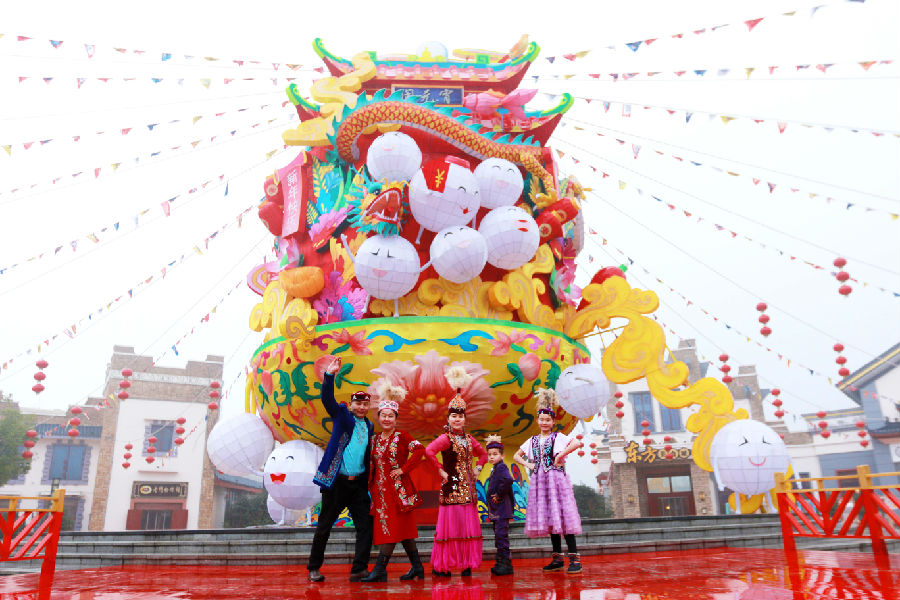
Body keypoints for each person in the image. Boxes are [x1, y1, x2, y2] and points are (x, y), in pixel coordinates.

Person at [307, 356, 374, 583]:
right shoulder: (342, 415)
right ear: (352, 404)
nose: (361, 407)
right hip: (336, 482)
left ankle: (359, 569)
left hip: (358, 485)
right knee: (324, 526)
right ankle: (314, 568)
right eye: (358, 404)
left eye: (365, 404)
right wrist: (330, 375)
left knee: (365, 526)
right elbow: (327, 399)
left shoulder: (370, 426)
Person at [424, 368, 488, 577]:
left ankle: (466, 564)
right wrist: (440, 471)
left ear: (464, 419)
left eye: (460, 416)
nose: (457, 419)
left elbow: (483, 455)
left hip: (468, 492)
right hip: (451, 490)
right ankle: (442, 566)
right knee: (450, 529)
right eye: (453, 416)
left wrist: (478, 468)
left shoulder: (469, 439)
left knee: (466, 528)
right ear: (449, 418)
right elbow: (429, 451)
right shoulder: (445, 438)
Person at [513, 388, 584, 574]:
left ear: (553, 422)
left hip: (556, 480)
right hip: (540, 482)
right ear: (538, 421)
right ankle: (557, 559)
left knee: (564, 518)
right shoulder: (533, 440)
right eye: (542, 419)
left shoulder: (557, 437)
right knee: (552, 519)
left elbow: (576, 443)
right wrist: (529, 465)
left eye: (548, 420)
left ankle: (574, 559)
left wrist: (560, 454)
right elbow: (516, 456)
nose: (544, 422)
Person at [361, 384, 427, 582]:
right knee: (402, 531)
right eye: (383, 415)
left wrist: (403, 469)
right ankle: (418, 567)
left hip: (399, 492)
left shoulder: (402, 437)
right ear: (379, 417)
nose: (387, 419)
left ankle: (380, 569)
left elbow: (420, 450)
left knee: (392, 529)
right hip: (380, 493)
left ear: (396, 419)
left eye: (391, 416)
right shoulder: (374, 440)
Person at [484, 434, 515, 576]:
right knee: (499, 536)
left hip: (502, 508)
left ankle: (506, 565)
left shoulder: (501, 467)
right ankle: (500, 562)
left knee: (501, 536)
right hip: (497, 510)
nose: (491, 457)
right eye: (489, 454)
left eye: (495, 454)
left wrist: (499, 495)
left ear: (502, 455)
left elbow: (508, 480)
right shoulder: (496, 468)